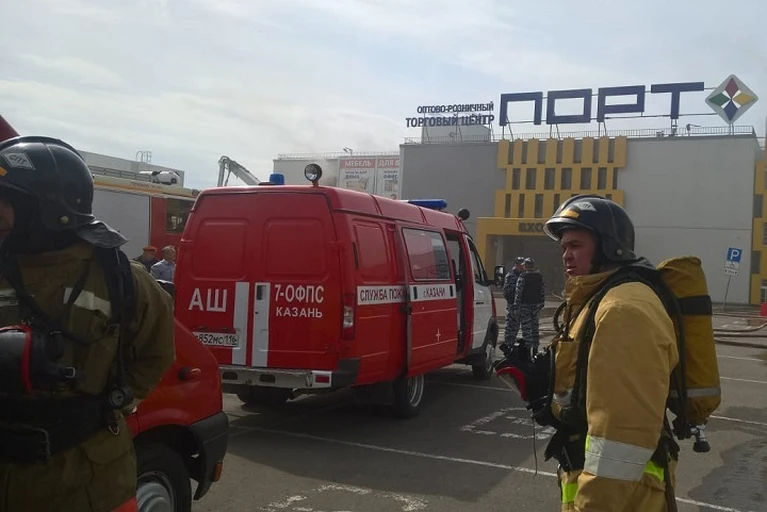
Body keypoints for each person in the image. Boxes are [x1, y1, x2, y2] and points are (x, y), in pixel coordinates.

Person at [0, 135, 175, 512]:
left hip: (88, 483)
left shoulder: (122, 279)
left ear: (49, 206)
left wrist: (104, 406)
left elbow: (157, 352)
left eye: (6, 200)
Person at [540, 194, 679, 511]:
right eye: (563, 247)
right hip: (612, 488)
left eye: (576, 245)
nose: (566, 254)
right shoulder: (600, 298)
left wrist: (591, 505)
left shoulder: (622, 310)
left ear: (609, 246)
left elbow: (621, 436)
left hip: (621, 496)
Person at [513, 257, 545, 351]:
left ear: (525, 266)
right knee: (535, 328)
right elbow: (542, 291)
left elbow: (518, 292)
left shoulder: (523, 276)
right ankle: (535, 349)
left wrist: (516, 307)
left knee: (526, 329)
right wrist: (542, 303)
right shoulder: (539, 276)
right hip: (536, 305)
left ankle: (528, 350)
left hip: (525, 306)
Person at [501, 256, 525, 349]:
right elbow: (507, 292)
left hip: (523, 306)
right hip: (513, 307)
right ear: (516, 265)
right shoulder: (511, 275)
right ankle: (508, 347)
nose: (522, 267)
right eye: (520, 265)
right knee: (511, 329)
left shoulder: (524, 275)